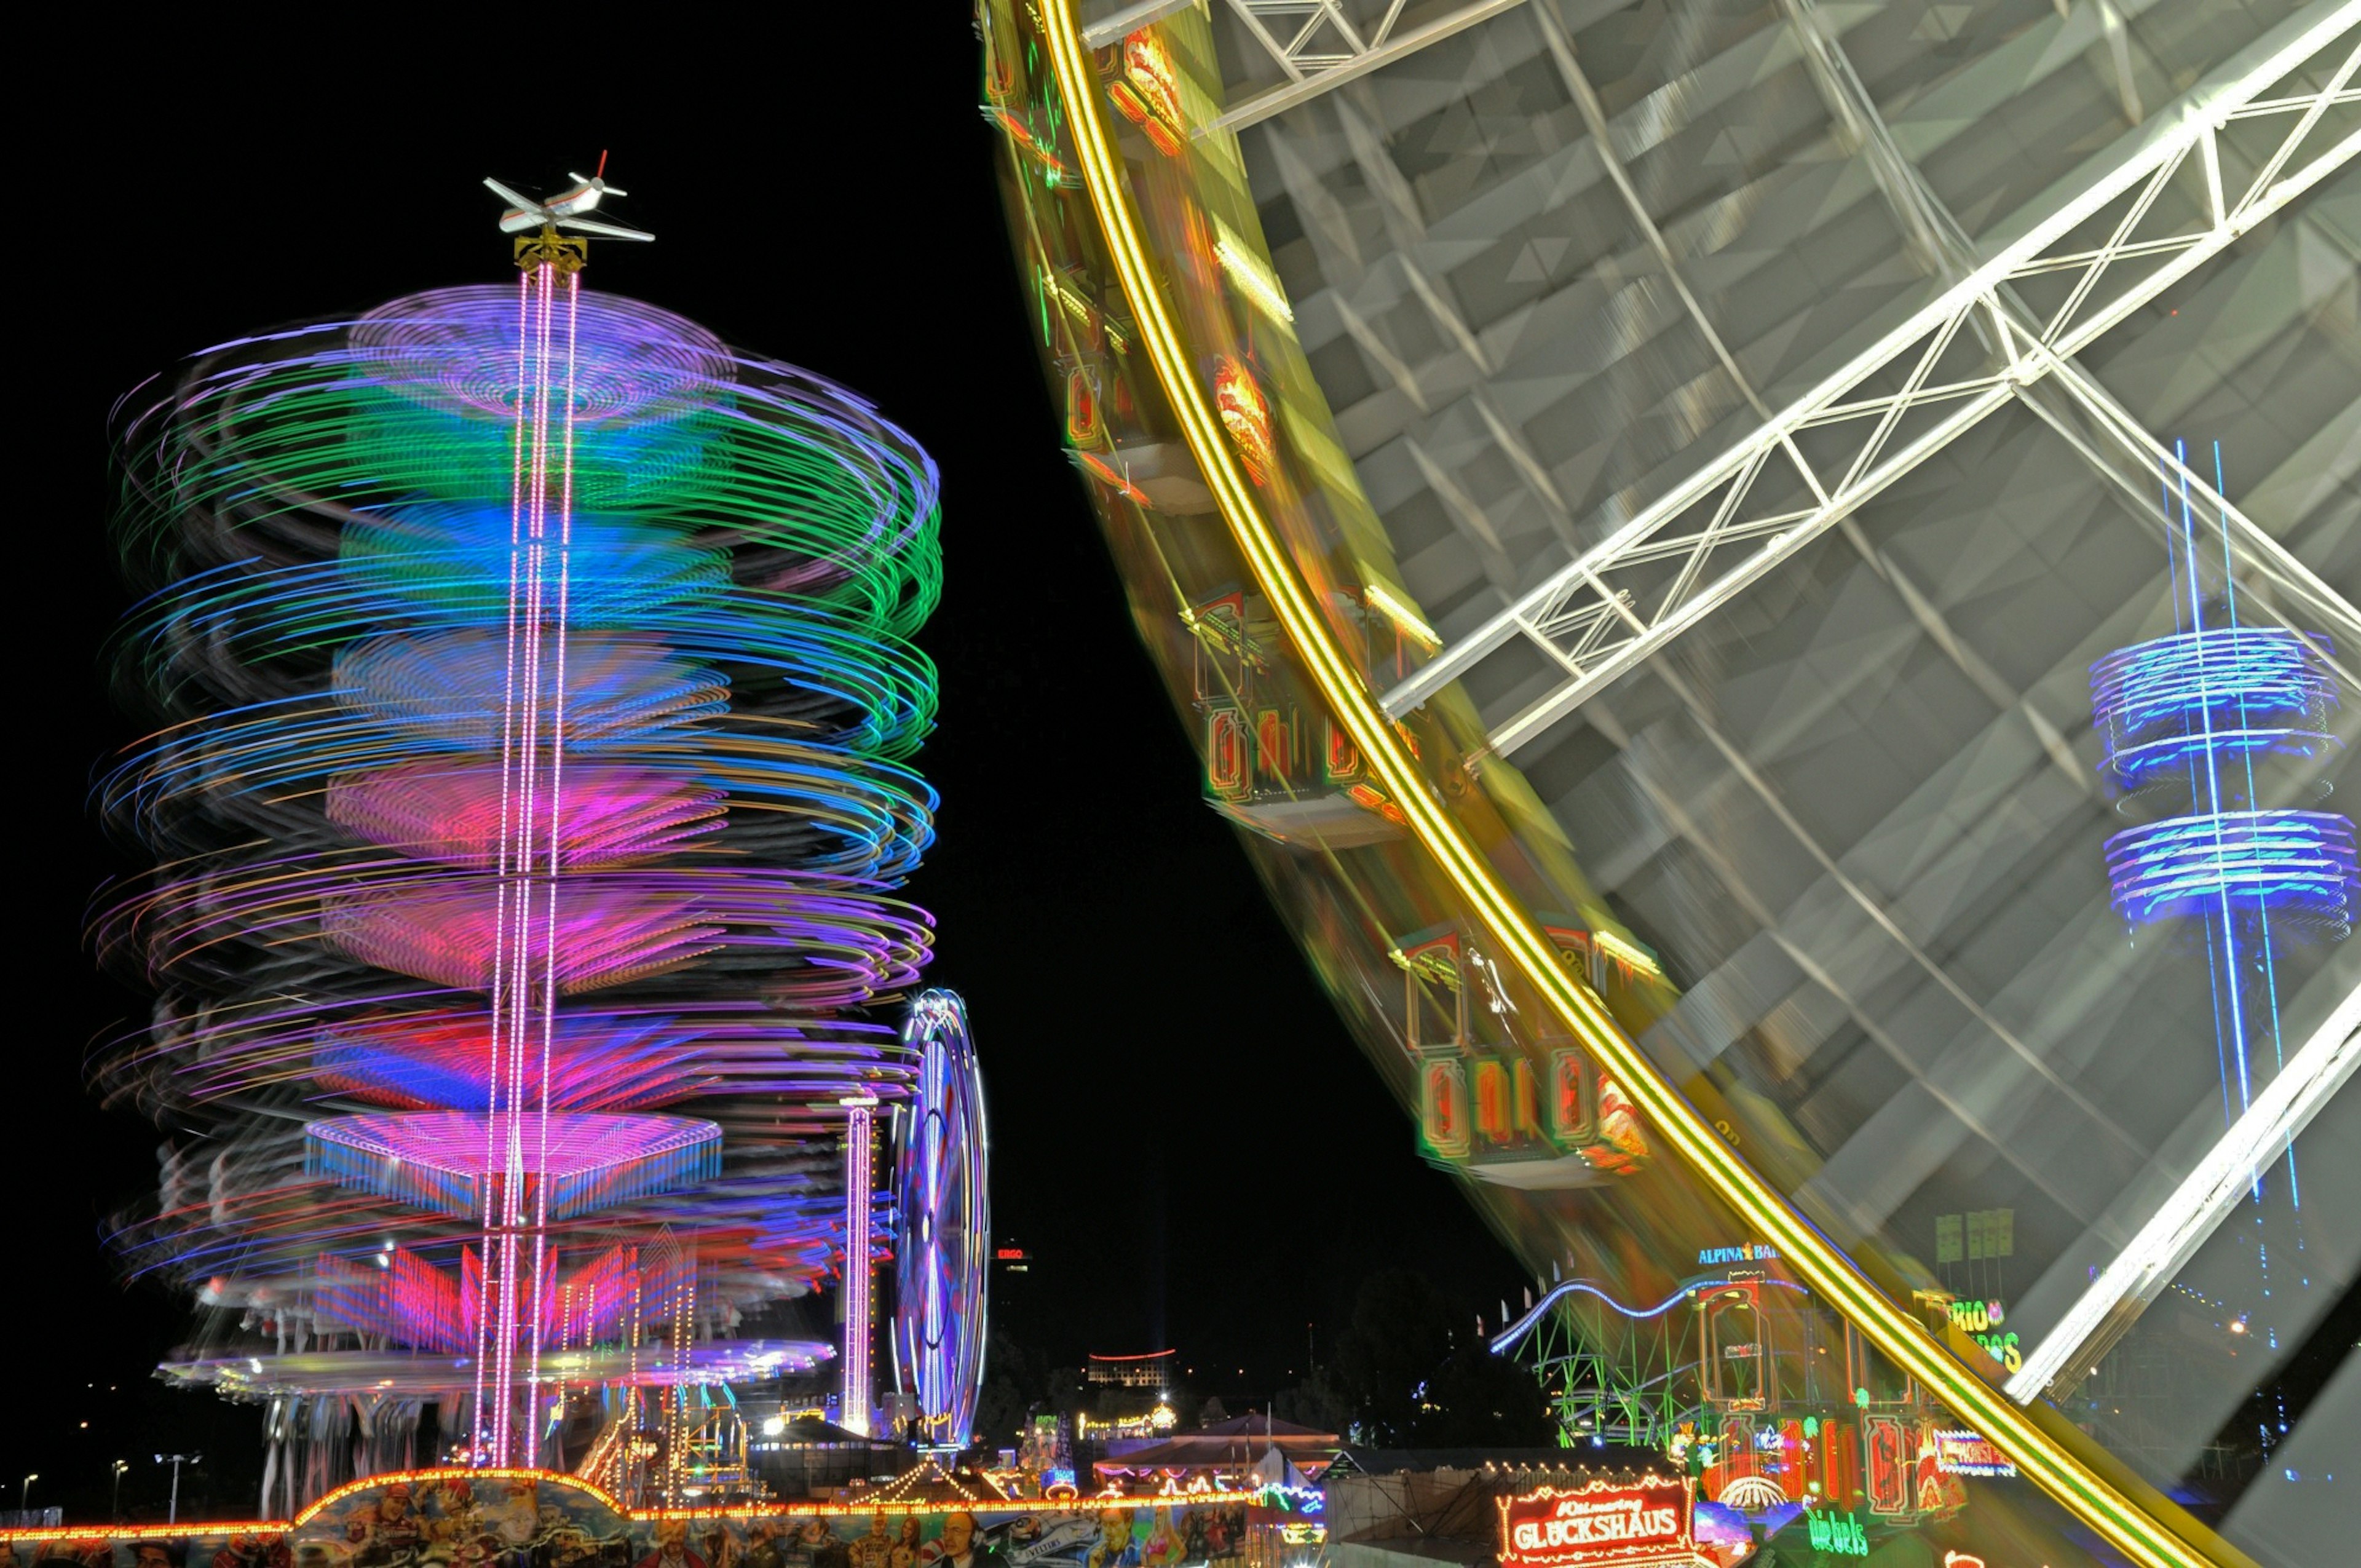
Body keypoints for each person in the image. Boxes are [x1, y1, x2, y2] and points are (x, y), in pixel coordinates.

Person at [635, 1522, 705, 1568]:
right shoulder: (645, 1566)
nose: (674, 1540)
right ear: (659, 1536)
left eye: (679, 1534)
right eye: (668, 1534)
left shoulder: (699, 1564)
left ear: (685, 1535)